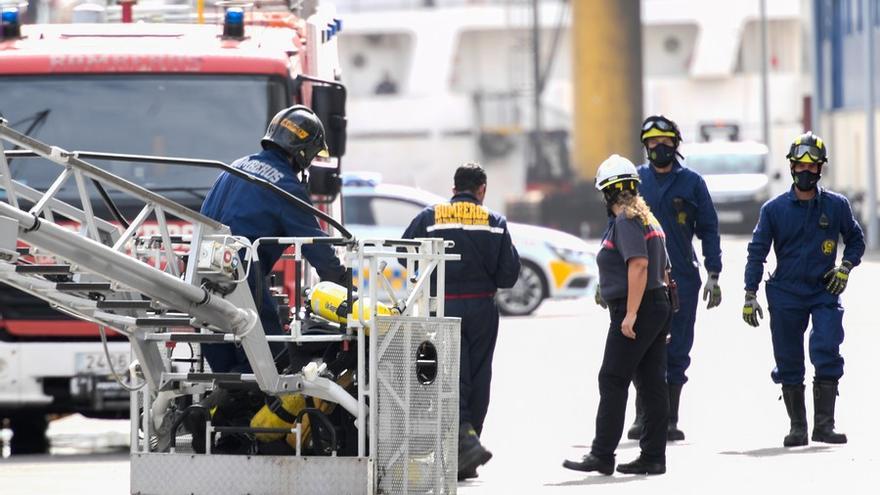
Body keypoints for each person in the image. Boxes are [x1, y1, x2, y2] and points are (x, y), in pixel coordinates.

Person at [200, 105, 348, 374]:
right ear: (302, 152)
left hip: (202, 274)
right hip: (241, 277)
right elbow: (315, 243)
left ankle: (221, 411)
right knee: (273, 363)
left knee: (227, 371)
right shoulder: (284, 184)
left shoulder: (233, 167)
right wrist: (343, 283)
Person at [742, 132, 864, 447]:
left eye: (813, 166)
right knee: (789, 360)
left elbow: (856, 239)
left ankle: (824, 425)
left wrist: (846, 267)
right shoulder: (773, 209)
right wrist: (749, 293)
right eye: (800, 165)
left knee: (826, 347)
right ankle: (798, 428)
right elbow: (757, 251)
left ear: (822, 168)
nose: (806, 171)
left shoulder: (837, 206)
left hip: (824, 290)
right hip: (785, 293)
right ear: (792, 167)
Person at [401, 163, 520, 481]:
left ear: (454, 189)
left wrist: (425, 275)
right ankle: (467, 448)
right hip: (482, 307)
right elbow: (509, 275)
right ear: (482, 190)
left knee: (451, 376)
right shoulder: (495, 222)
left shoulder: (430, 217)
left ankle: (463, 446)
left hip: (442, 305)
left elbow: (403, 253)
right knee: (479, 378)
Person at [563, 154, 672, 476]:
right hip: (656, 304)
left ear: (607, 192)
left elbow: (638, 265)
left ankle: (602, 454)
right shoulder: (646, 218)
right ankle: (653, 456)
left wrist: (631, 314)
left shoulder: (625, 219)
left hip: (636, 307)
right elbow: (664, 269)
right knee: (652, 383)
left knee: (612, 379)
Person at [621, 115, 722, 442]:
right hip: (641, 277)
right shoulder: (634, 181)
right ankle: (643, 417)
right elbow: (615, 229)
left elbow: (709, 228)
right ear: (645, 146)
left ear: (675, 146)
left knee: (677, 346)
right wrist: (605, 275)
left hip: (682, 279)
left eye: (665, 142)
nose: (659, 148)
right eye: (653, 143)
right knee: (639, 345)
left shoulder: (692, 183)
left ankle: (669, 419)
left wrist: (714, 272)